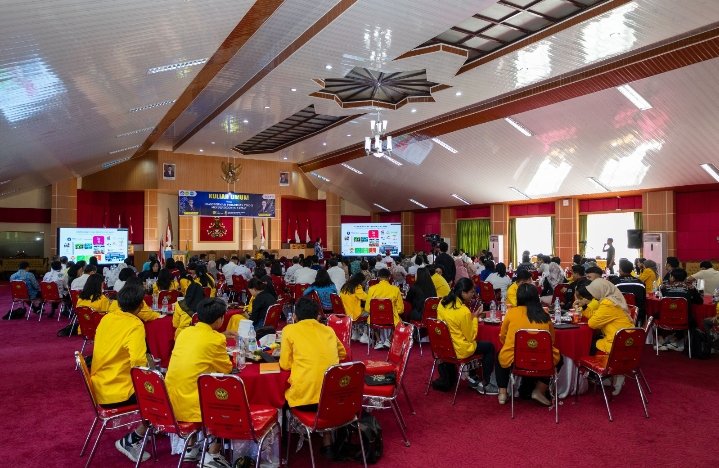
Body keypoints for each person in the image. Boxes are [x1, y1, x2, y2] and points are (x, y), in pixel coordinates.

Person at [165, 298, 236, 467]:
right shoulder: (216, 340)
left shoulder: (185, 332)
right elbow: (226, 368)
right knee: (228, 398)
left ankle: (191, 448)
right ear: (219, 319)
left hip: (170, 400)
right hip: (193, 405)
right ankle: (213, 453)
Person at [90, 282, 151, 463]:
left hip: (99, 385)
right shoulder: (135, 324)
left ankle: (151, 428)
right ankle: (133, 439)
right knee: (163, 397)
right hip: (117, 390)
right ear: (141, 305)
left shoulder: (106, 318)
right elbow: (139, 363)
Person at [280, 298, 346, 459]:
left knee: (281, 399)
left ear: (295, 316)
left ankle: (283, 442)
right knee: (325, 388)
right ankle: (327, 441)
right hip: (333, 401)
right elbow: (342, 353)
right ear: (318, 317)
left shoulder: (289, 330)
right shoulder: (328, 330)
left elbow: (285, 365)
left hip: (304, 401)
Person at [496, 283, 562, 406]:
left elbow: (503, 337)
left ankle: (502, 393)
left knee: (500, 355)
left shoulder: (511, 313)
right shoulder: (545, 315)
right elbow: (551, 341)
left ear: (518, 297)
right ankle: (539, 390)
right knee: (559, 358)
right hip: (542, 358)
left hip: (516, 358)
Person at [437, 277, 497, 395]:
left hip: (443, 346)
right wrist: (475, 318)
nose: (473, 295)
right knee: (489, 347)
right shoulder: (463, 311)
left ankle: (473, 377)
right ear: (463, 293)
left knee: (474, 344)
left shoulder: (442, 303)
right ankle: (487, 383)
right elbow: (471, 337)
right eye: (471, 292)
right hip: (459, 349)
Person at [574, 279, 635, 395]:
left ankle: (595, 375)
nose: (593, 295)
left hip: (617, 343)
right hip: (627, 340)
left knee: (588, 344)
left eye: (594, 291)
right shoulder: (613, 300)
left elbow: (593, 323)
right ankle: (602, 376)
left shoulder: (608, 304)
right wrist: (585, 306)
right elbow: (596, 317)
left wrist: (584, 306)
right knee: (593, 341)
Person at [655, 268, 703, 351]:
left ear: (672, 277)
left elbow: (660, 298)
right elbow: (700, 301)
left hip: (665, 316)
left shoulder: (663, 287)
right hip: (683, 317)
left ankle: (661, 340)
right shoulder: (690, 287)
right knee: (691, 322)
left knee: (654, 316)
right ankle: (673, 340)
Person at [364, 268, 404, 350]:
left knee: (372, 316)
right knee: (400, 321)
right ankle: (389, 340)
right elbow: (401, 309)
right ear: (389, 277)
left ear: (378, 278)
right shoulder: (395, 289)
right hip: (391, 319)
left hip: (375, 319)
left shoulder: (372, 289)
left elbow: (367, 308)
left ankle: (378, 341)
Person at [340, 273, 369, 341]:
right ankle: (364, 335)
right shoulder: (357, 287)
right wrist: (368, 291)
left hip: (345, 311)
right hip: (353, 313)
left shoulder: (345, 286)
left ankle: (355, 332)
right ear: (361, 281)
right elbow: (365, 298)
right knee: (370, 311)